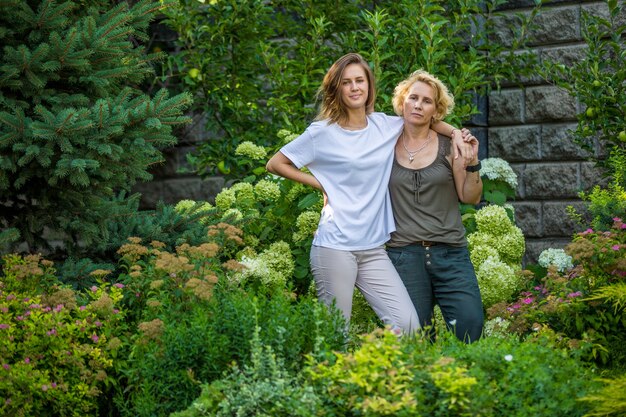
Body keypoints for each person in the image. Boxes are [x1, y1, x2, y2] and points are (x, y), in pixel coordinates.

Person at [266, 53, 474, 334]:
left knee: (409, 328)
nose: (354, 88)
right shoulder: (321, 133)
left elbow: (425, 118)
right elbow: (276, 163)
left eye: (360, 81)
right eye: (347, 82)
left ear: (368, 86)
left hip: (373, 249)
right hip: (335, 246)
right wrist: (322, 184)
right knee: (335, 333)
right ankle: (330, 379)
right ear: (337, 89)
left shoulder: (385, 125)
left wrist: (457, 135)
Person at [386, 69, 484, 343]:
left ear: (436, 110)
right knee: (415, 337)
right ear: (402, 102)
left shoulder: (448, 146)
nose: (418, 105)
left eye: (426, 101)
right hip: (403, 255)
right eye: (413, 98)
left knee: (470, 326)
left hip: (450, 253)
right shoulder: (383, 142)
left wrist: (472, 162)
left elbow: (470, 197)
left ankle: (464, 383)